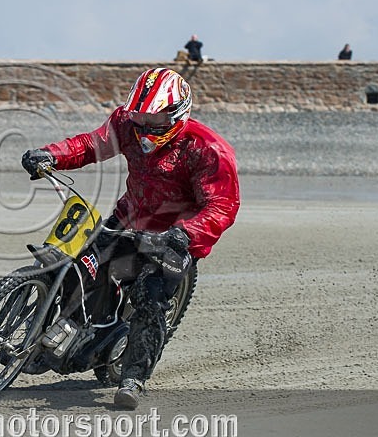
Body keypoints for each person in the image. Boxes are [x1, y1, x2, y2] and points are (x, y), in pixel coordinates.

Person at [21, 68, 240, 409]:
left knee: (151, 300)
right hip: (127, 218)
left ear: (175, 113)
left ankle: (133, 377)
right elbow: (90, 145)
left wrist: (185, 234)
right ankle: (51, 337)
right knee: (79, 267)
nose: (142, 125)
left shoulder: (208, 149)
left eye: (151, 118)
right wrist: (51, 154)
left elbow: (222, 205)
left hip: (174, 237)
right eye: (139, 116)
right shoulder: (127, 124)